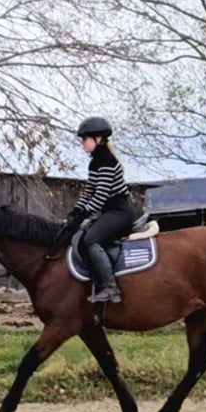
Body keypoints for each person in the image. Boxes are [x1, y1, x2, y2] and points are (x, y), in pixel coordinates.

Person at [66, 116, 133, 304]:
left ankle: (111, 288)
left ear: (98, 139)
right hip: (109, 213)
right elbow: (88, 192)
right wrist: (75, 211)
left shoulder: (107, 161)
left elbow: (100, 196)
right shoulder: (94, 162)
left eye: (85, 139)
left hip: (120, 213)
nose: (82, 143)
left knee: (91, 240)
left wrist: (82, 214)